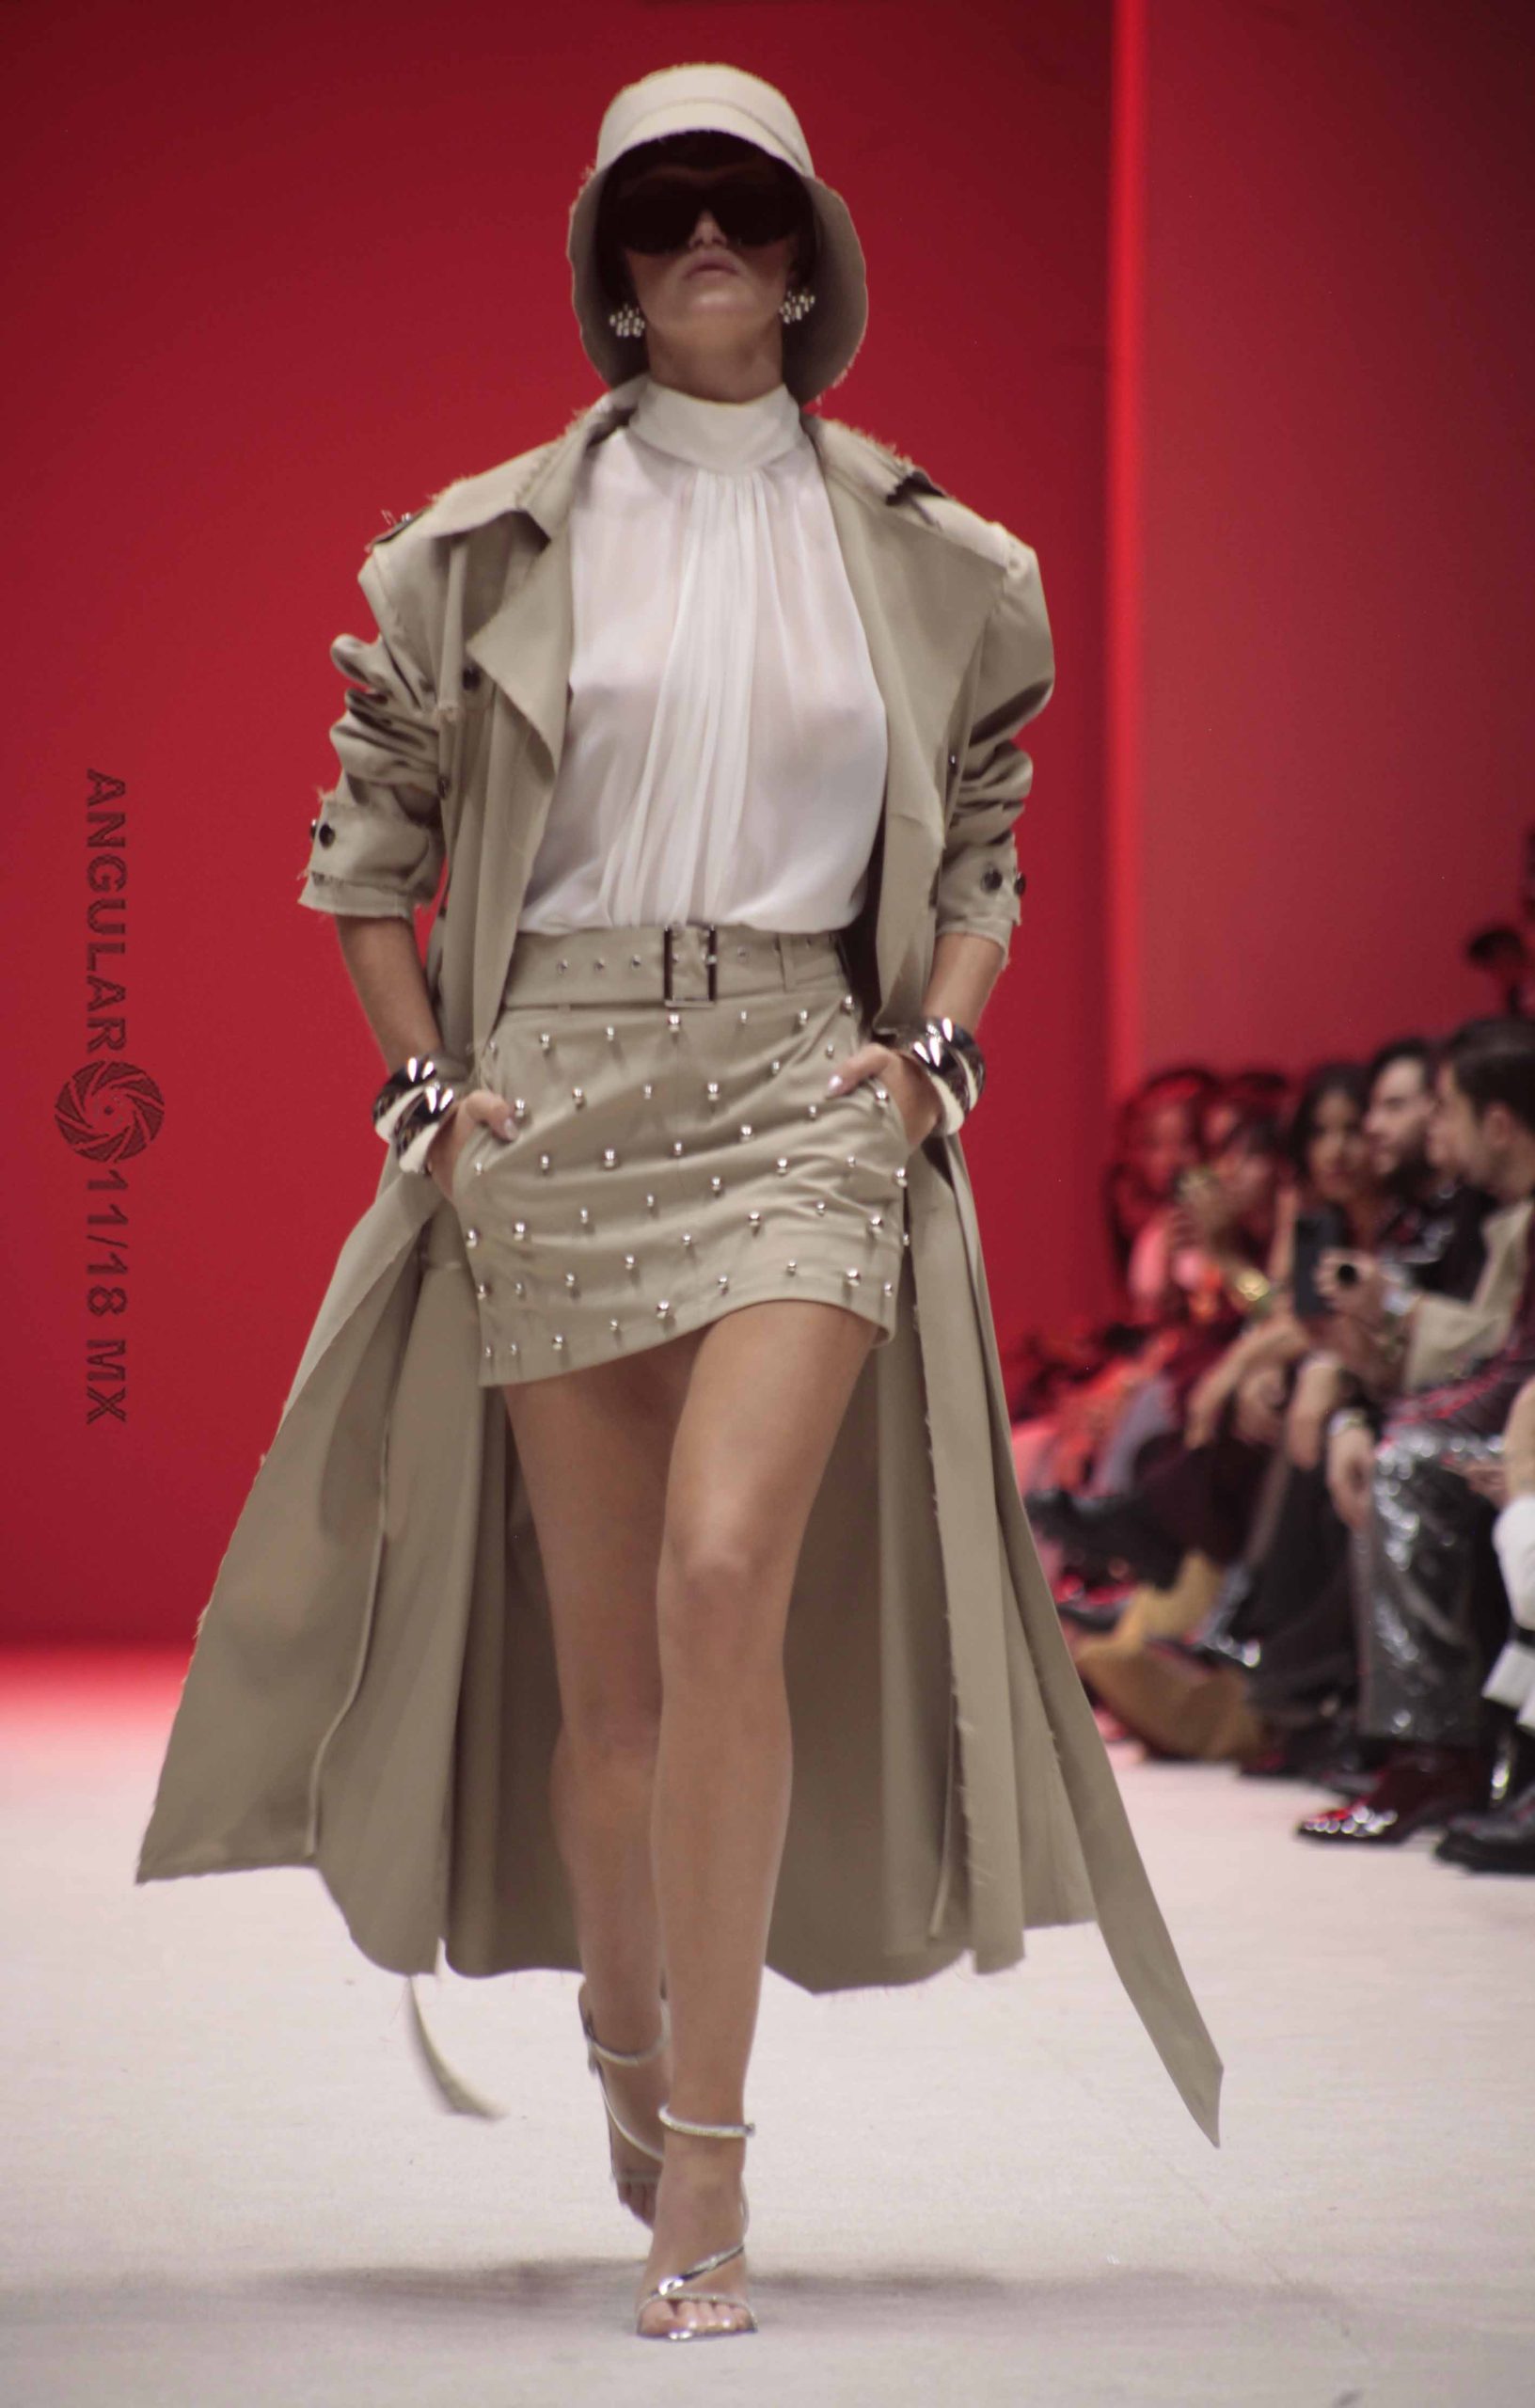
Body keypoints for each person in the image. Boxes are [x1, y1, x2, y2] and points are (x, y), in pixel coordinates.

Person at [135, 63, 1224, 2345]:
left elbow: (985, 831)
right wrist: (432, 1089)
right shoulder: (479, 552)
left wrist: (933, 1050)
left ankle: (708, 2157)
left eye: (747, 203)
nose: (708, 236)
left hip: (803, 1088)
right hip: (554, 1092)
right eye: (662, 210)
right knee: (612, 1676)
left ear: (811, 258)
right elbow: (365, 851)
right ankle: (625, 2036)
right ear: (612, 272)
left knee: (731, 1573)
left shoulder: (938, 559)